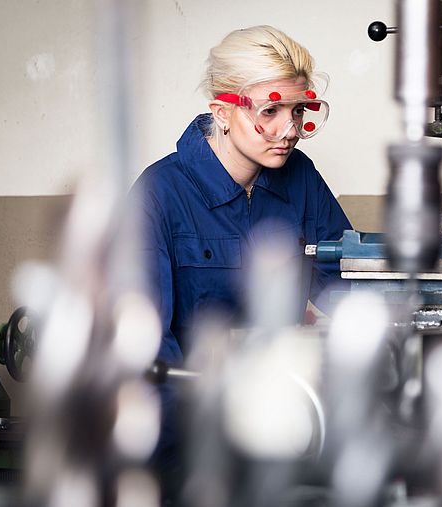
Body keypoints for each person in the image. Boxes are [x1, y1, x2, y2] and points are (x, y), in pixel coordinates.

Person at [131, 24, 352, 479]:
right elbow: (149, 353)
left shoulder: (301, 180)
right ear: (223, 111)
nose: (289, 130)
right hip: (190, 439)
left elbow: (345, 284)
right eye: (271, 111)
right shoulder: (160, 195)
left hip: (287, 425)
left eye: (300, 111)